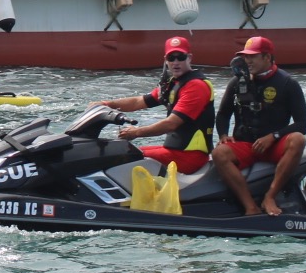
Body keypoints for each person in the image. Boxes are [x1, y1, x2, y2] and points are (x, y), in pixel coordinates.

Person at [211, 35, 306, 217]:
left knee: (298, 139)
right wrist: (223, 135)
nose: (247, 61)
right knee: (219, 153)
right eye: (245, 56)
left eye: (253, 56)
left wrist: (274, 136)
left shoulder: (288, 83)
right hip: (247, 146)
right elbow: (223, 114)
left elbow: (302, 124)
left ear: (267, 57)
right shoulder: (236, 83)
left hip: (273, 145)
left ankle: (270, 196)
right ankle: (250, 206)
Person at [93, 36, 217, 174]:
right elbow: (139, 102)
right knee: (123, 150)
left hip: (189, 157)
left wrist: (136, 132)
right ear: (165, 60)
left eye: (180, 57)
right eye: (171, 58)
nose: (176, 62)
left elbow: (171, 123)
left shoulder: (196, 86)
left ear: (189, 58)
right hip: (174, 151)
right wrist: (106, 104)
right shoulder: (173, 83)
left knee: (125, 157)